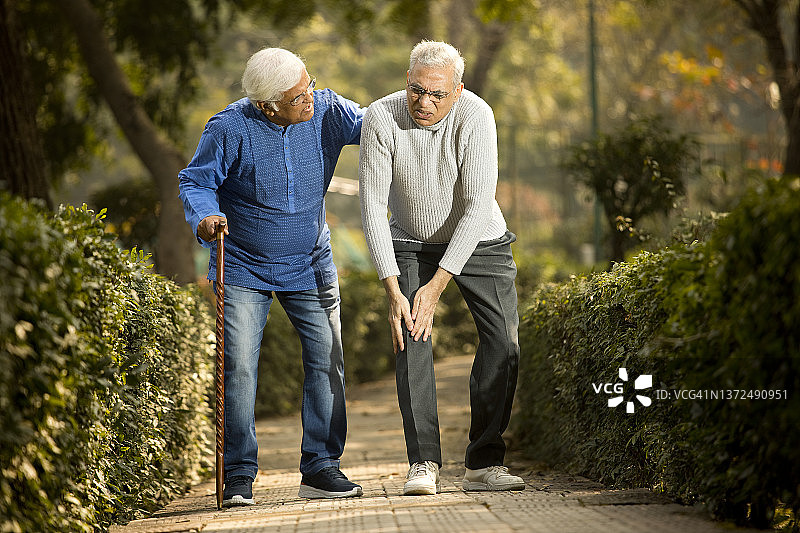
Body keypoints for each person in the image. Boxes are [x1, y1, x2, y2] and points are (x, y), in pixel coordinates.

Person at [179, 48, 364, 505]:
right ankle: (239, 473)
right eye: (300, 95)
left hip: (310, 262)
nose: (312, 97)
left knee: (328, 359)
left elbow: (374, 122)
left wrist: (423, 101)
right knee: (239, 368)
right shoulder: (229, 128)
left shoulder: (325, 109)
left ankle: (321, 467)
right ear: (267, 105)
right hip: (243, 265)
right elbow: (196, 181)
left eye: (310, 84)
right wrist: (205, 217)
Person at [359, 41, 525, 495]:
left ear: (457, 91)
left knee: (504, 343)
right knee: (410, 335)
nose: (423, 103)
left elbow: (476, 208)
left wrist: (436, 287)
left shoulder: (476, 114)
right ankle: (424, 462)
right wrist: (394, 288)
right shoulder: (381, 116)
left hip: (479, 238)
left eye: (436, 94)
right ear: (405, 80)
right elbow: (372, 205)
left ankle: (484, 461)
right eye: (416, 90)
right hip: (410, 240)